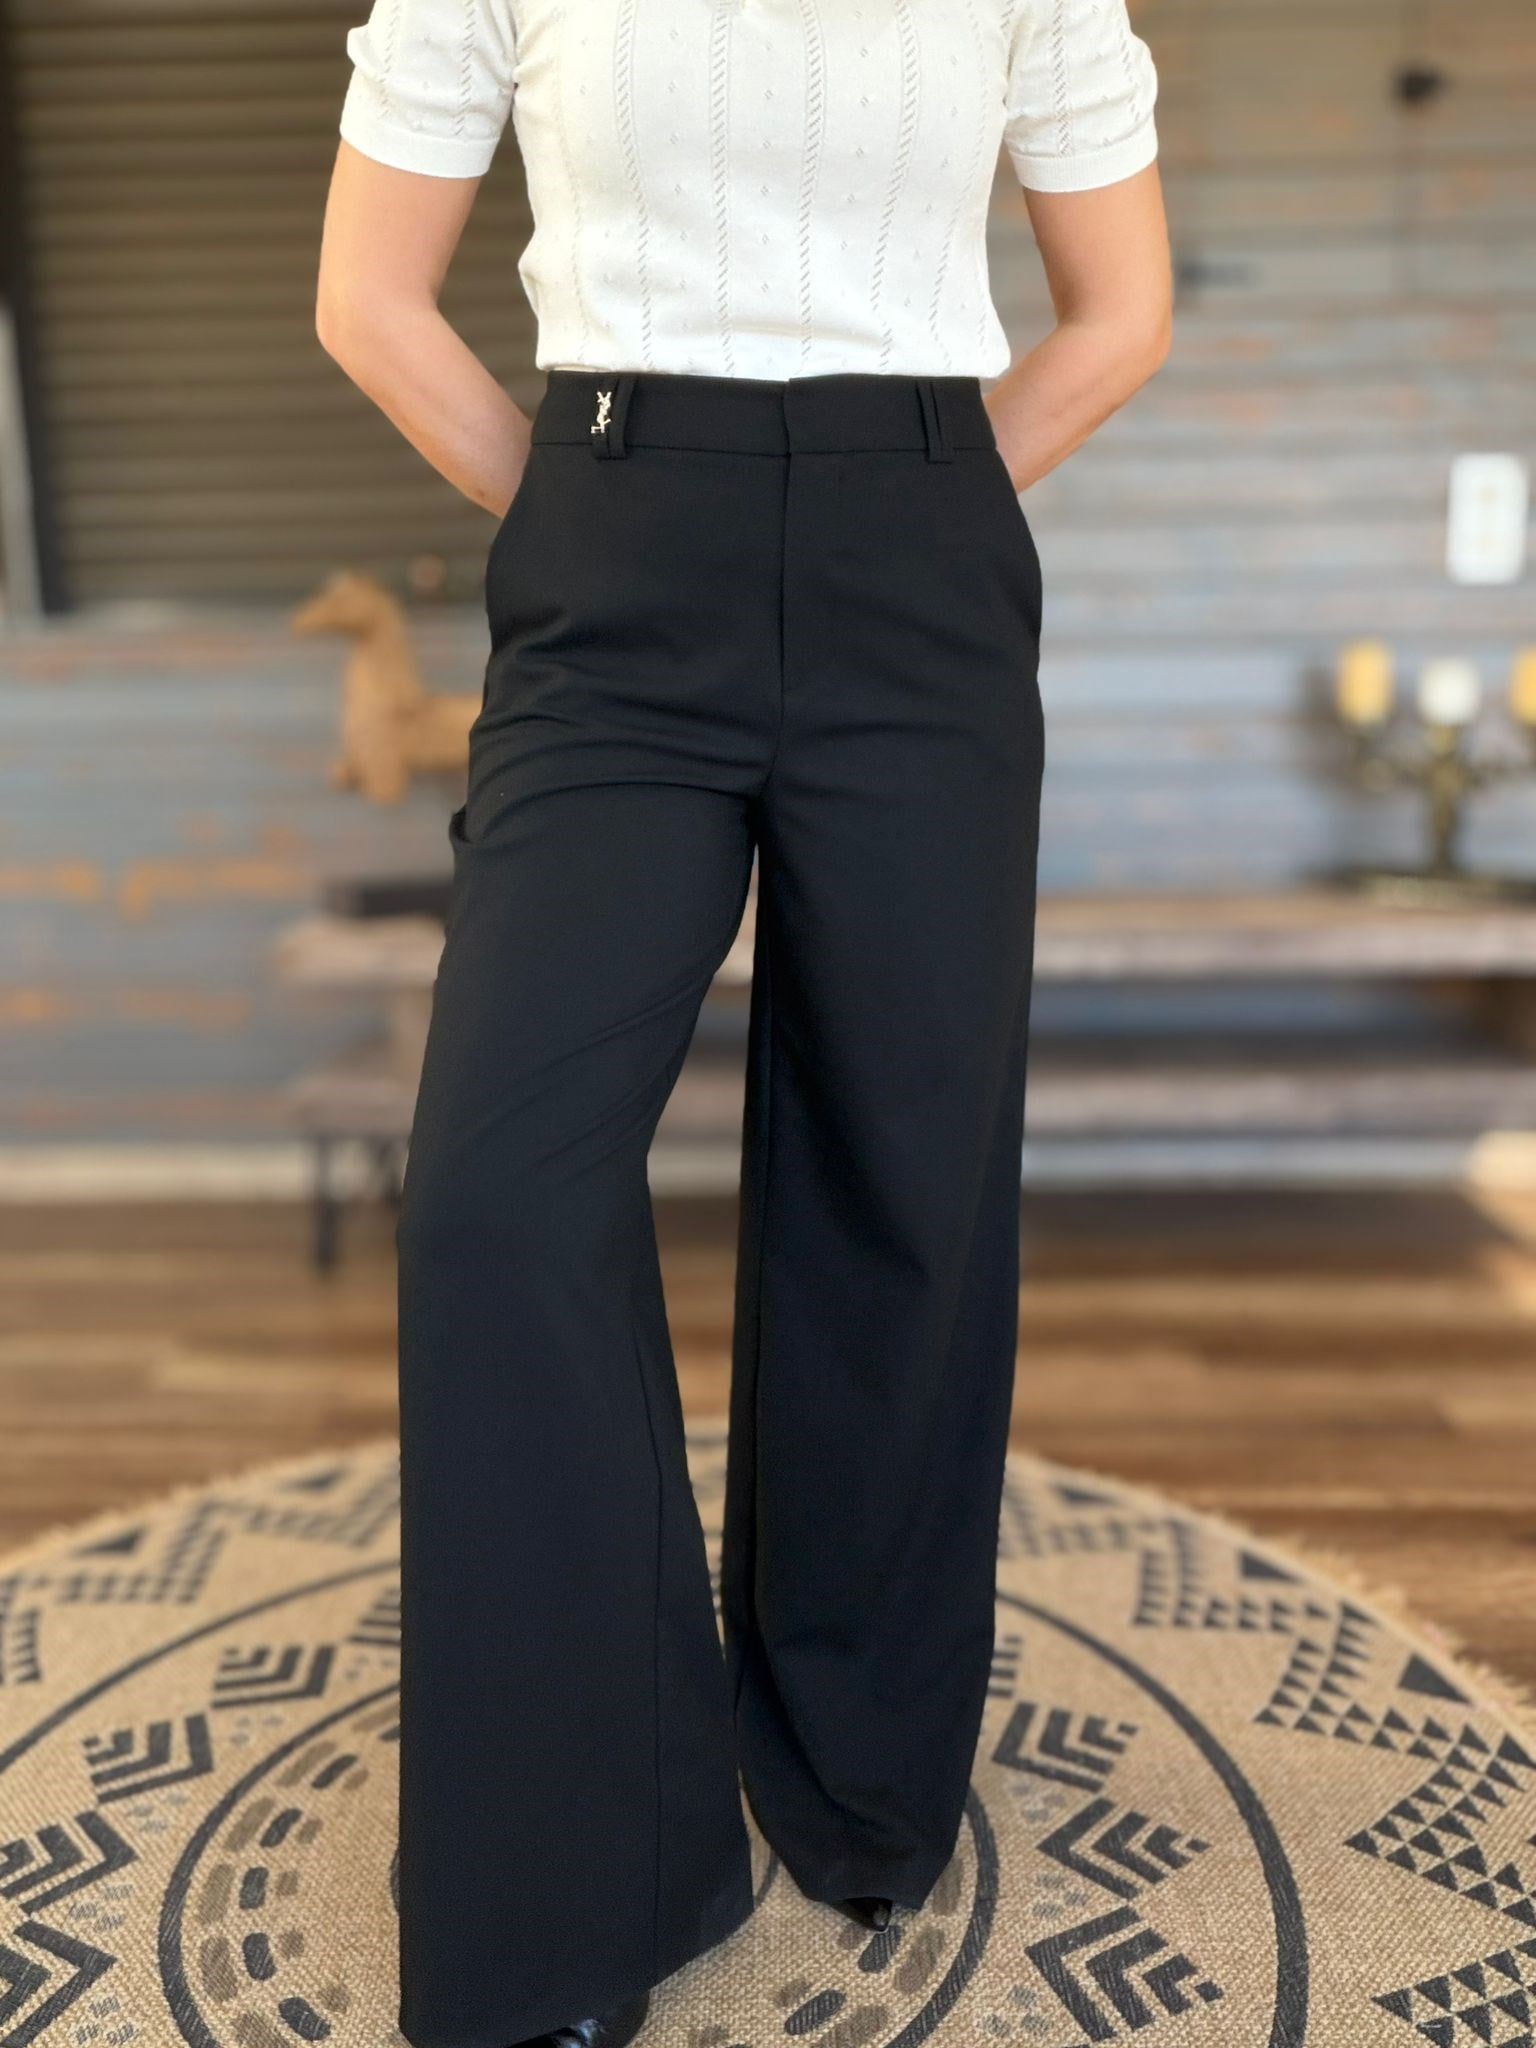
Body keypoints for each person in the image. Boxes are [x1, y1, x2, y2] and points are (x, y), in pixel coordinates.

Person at [316, 4, 1171, 2045]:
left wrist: (907, 501)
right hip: (613, 578)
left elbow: (1120, 308)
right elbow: (368, 297)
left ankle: (858, 1769)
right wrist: (591, 516)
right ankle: (583, 1875)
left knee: (903, 1163)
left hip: (920, 573)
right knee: (496, 1195)